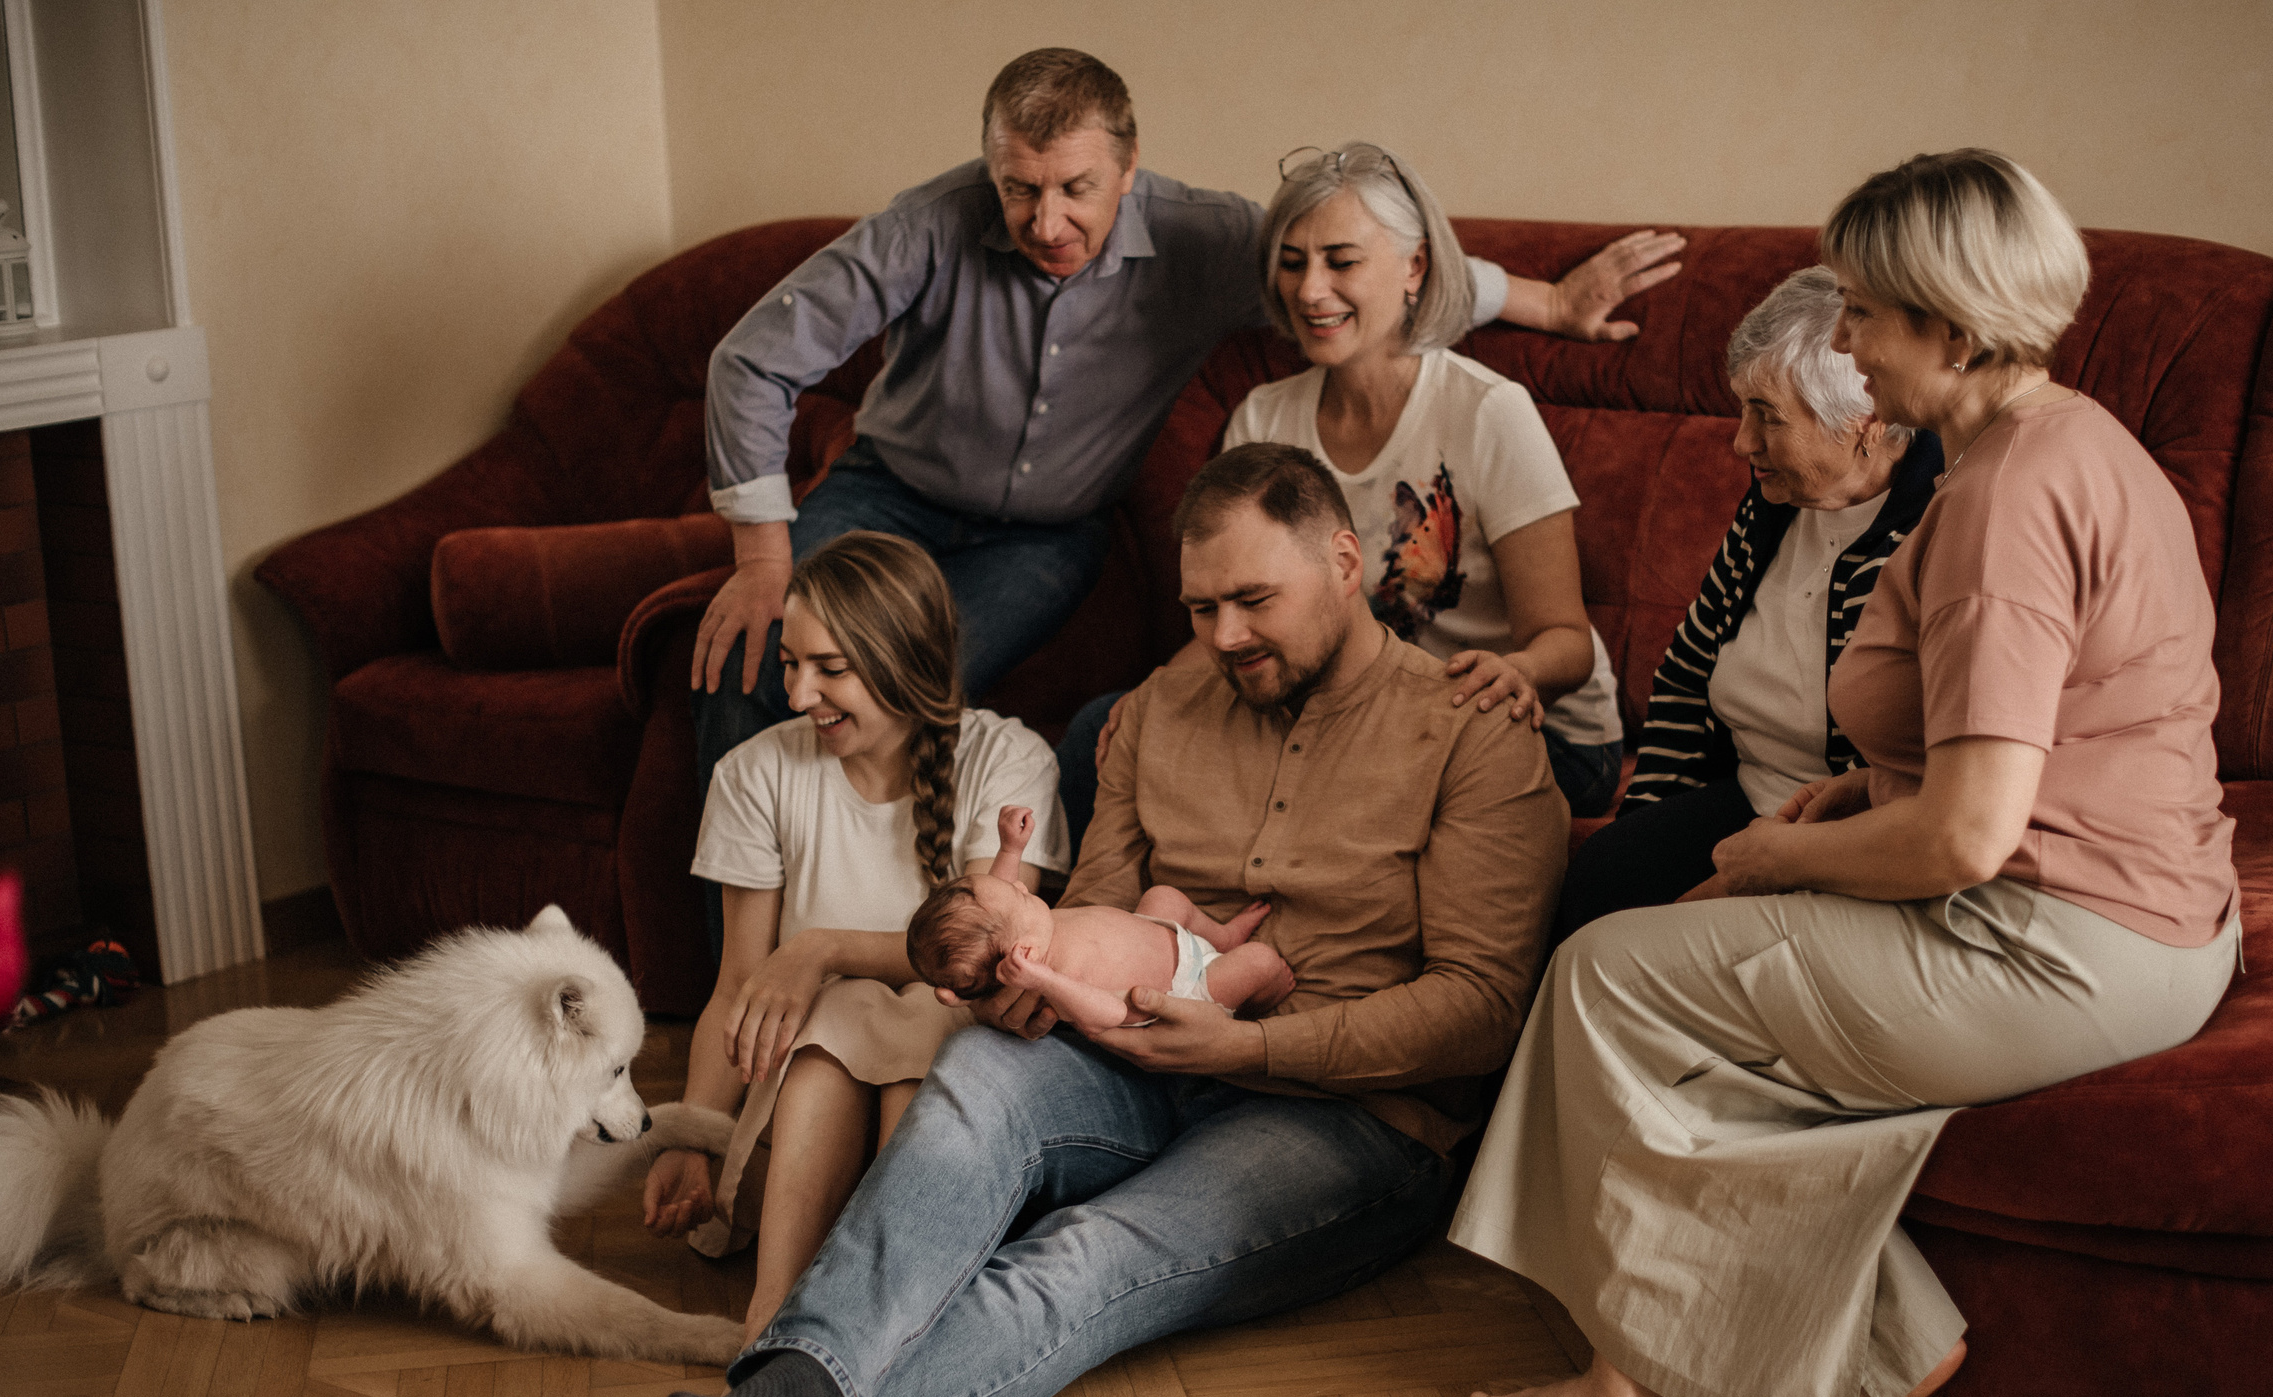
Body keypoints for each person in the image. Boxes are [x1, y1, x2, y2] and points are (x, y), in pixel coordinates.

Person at [541, 443, 1567, 1397]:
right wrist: (1026, 976)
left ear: (1348, 562)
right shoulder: (1160, 707)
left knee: (1088, 1255)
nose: (1222, 636)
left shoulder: (1469, 729)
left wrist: (1249, 1050)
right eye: (1201, 606)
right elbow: (1101, 903)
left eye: (1253, 600)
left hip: (1338, 1114)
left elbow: (1479, 1008)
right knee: (975, 1073)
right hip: (1122, 1051)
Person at [1448, 149, 2242, 1397]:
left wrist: (1771, 854)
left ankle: (1629, 1394)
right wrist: (1854, 796)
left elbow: (1968, 842)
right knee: (1677, 976)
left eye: (1868, 310)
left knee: (1603, 984)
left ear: (1955, 321)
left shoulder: (2005, 503)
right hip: (2136, 919)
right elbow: (2020, 748)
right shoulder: (2069, 438)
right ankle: (1881, 1345)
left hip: (2057, 941)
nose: (1850, 336)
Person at [693, 49, 1682, 935]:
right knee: (766, 671)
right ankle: (751, 982)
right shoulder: (937, 233)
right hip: (891, 489)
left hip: (1051, 537)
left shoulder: (1218, 248)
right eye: (1018, 190)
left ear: (1129, 168)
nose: (1047, 221)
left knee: (899, 689)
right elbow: (751, 361)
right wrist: (760, 557)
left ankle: (933, 961)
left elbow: (1366, 255)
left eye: (1076, 187)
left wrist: (1547, 299)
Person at [1059, 141, 1634, 836]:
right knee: (1106, 730)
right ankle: (1099, 938)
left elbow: (1565, 641)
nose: (1309, 290)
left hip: (1531, 730)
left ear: (1414, 266)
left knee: (1326, 777)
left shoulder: (1489, 411)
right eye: (1293, 262)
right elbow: (1233, 611)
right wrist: (1158, 697)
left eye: (1342, 261)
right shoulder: (1265, 417)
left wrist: (1519, 672)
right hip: (1339, 708)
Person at [639, 531, 1068, 1347]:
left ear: (903, 657)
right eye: (790, 664)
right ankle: (773, 1325)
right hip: (799, 1128)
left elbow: (988, 951)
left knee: (911, 1022)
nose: (798, 693)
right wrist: (691, 1134)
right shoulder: (754, 774)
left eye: (828, 668)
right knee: (836, 1027)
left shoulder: (1008, 759)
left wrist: (822, 948)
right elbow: (736, 987)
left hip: (947, 1100)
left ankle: (854, 1322)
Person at [1558, 266, 1944, 937]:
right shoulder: (1777, 503)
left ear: (1867, 420)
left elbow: (1897, 769)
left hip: (1845, 840)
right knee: (1603, 875)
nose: (1741, 442)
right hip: (1746, 794)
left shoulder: (1933, 534)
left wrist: (1716, 891)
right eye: (1743, 410)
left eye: (1766, 416)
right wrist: (1643, 824)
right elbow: (1683, 674)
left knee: (1640, 941)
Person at [905, 805, 1294, 1028]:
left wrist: (1010, 848)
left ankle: (1222, 938)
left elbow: (999, 902)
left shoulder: (1022, 937)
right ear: (1026, 955)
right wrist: (1048, 981)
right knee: (1260, 961)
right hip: (1186, 991)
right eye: (1021, 898)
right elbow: (1114, 1012)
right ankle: (1256, 1002)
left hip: (1159, 933)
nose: (1022, 888)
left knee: (1163, 897)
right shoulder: (1055, 979)